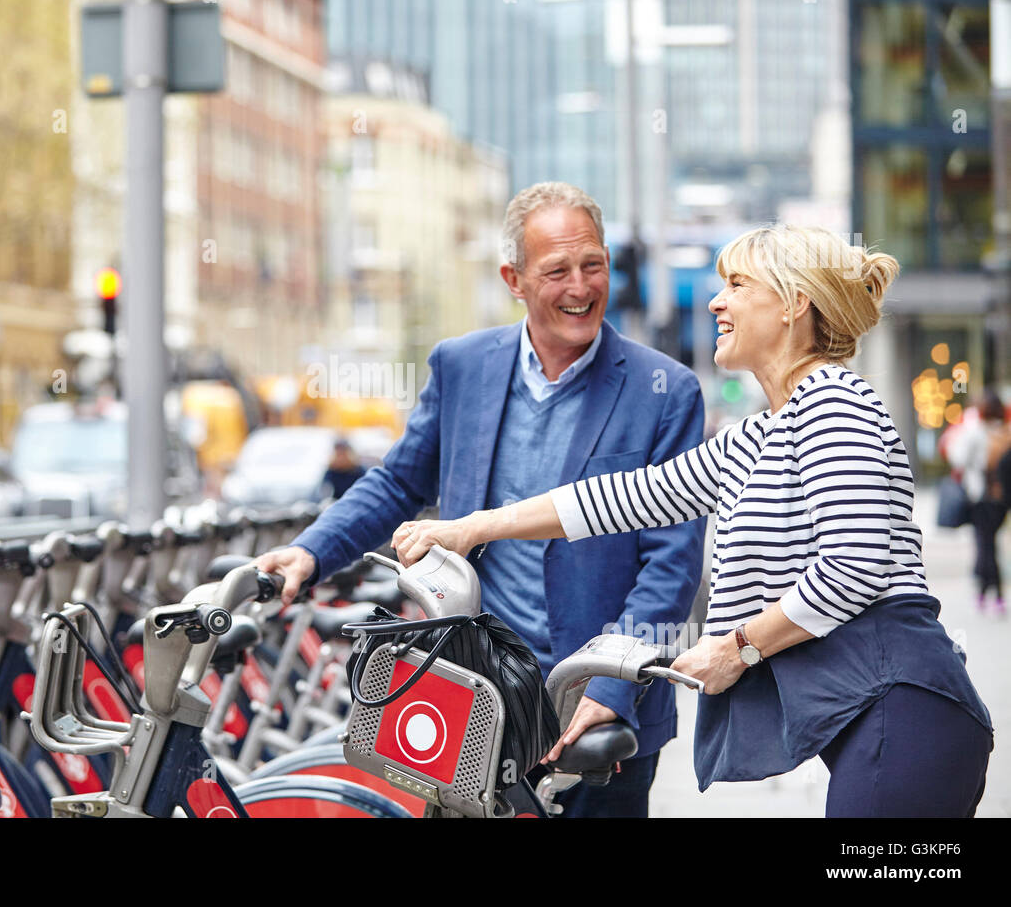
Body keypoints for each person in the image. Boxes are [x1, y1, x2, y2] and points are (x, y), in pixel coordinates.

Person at [391, 225, 994, 818]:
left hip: (907, 706)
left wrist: (737, 648)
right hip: (881, 718)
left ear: (794, 304)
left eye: (736, 283)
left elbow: (855, 565)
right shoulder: (760, 434)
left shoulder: (834, 403)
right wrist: (472, 527)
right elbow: (623, 498)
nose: (715, 301)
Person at [257, 182, 707, 817]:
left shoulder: (666, 391)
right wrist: (310, 553)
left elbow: (673, 561)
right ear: (514, 278)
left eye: (593, 265)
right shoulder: (462, 366)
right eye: (557, 271)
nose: (581, 287)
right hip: (475, 692)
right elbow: (397, 484)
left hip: (597, 706)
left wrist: (610, 685)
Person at [948, 392, 1011, 616]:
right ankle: (988, 593)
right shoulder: (1006, 432)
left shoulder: (976, 431)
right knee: (990, 544)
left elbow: (959, 458)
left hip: (981, 496)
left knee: (985, 545)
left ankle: (994, 596)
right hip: (1002, 498)